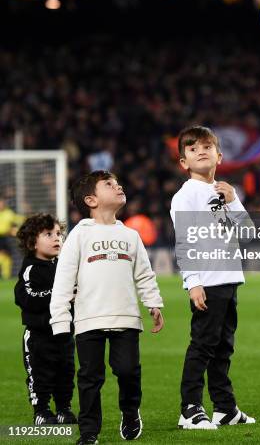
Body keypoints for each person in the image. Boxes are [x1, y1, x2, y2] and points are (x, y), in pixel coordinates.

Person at [50, 170, 164, 445]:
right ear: (91, 200)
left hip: (126, 317)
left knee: (127, 370)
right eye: (109, 184)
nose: (118, 186)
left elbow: (144, 274)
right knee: (90, 378)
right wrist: (60, 320)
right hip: (89, 319)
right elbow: (64, 278)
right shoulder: (79, 235)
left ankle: (130, 411)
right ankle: (89, 432)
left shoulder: (131, 235)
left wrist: (153, 304)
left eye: (117, 183)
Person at [170, 125, 255, 430]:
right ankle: (190, 408)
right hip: (208, 281)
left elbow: (247, 235)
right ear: (184, 162)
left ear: (219, 155)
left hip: (228, 278)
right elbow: (185, 241)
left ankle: (225, 408)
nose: (200, 151)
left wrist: (233, 200)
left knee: (223, 347)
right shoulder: (186, 196)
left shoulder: (223, 192)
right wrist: (192, 282)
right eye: (192, 149)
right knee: (203, 346)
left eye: (207, 146)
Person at [14, 213, 76, 426]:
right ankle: (41, 411)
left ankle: (64, 409)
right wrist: (57, 294)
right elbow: (25, 296)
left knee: (66, 373)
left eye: (58, 233)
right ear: (32, 242)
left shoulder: (64, 266)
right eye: (48, 234)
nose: (56, 238)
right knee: (40, 375)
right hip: (39, 336)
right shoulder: (31, 269)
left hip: (65, 332)